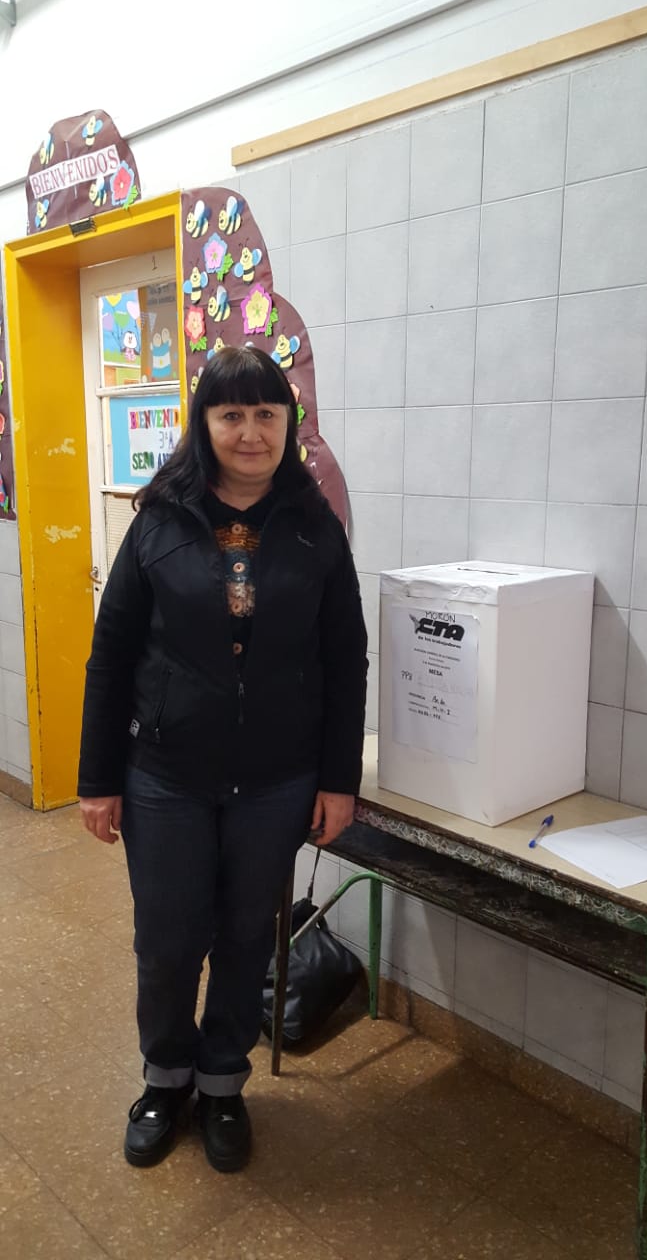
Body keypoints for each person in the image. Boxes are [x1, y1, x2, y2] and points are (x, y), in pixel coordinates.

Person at [78, 345, 368, 1173]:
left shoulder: (314, 527)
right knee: (168, 942)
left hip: (276, 780)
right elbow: (112, 654)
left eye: (266, 414)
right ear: (203, 424)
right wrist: (97, 780)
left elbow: (345, 659)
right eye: (231, 414)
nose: (250, 432)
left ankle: (222, 1083)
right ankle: (164, 1080)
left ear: (288, 424)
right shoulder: (160, 522)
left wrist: (338, 780)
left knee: (246, 938)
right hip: (164, 775)